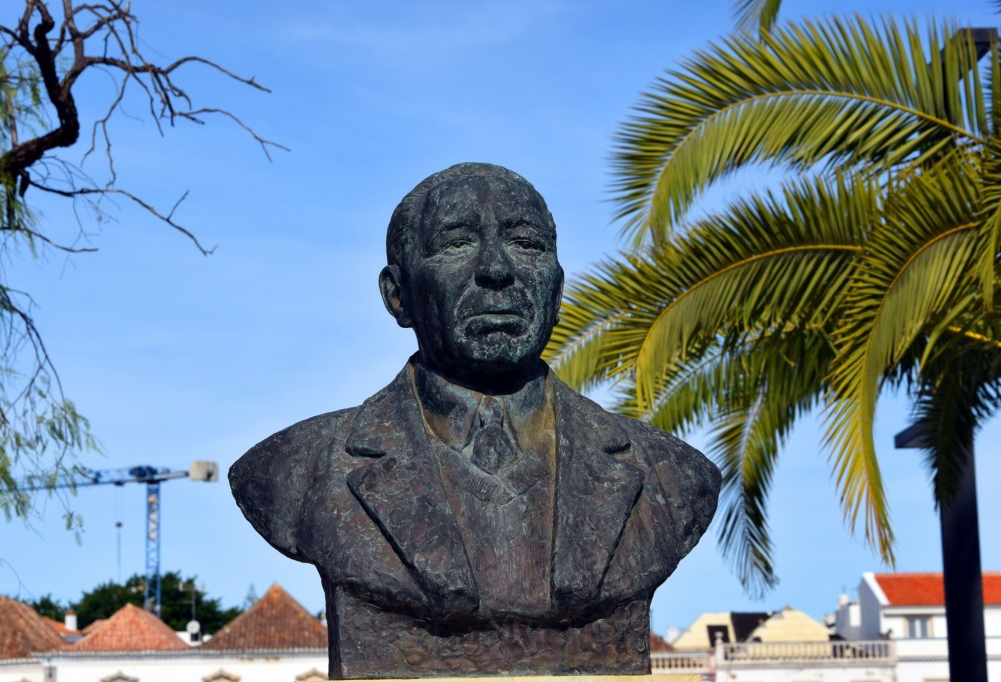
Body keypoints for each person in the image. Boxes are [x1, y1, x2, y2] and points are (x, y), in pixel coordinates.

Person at [230, 163, 719, 679]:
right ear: (398, 295)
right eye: (457, 244)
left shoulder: (671, 476)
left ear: (556, 290)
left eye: (526, 244)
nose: (497, 270)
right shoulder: (301, 468)